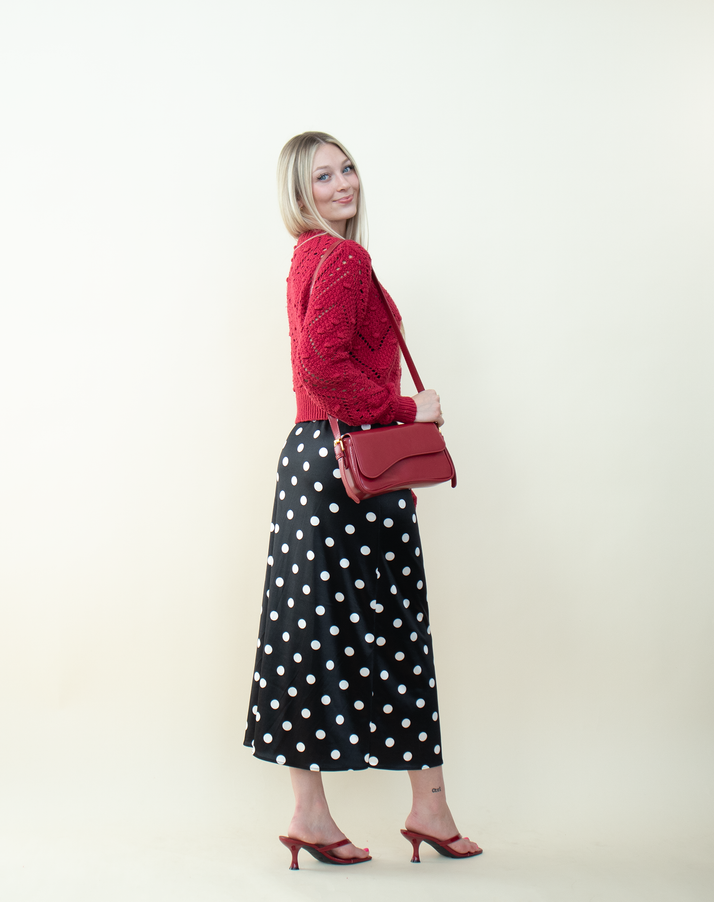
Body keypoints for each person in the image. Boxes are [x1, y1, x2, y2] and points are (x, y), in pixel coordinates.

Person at [243, 131, 481, 869]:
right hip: (351, 462)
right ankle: (429, 805)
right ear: (299, 192)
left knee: (305, 633)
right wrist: (410, 409)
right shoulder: (344, 258)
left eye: (347, 167)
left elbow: (312, 367)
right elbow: (321, 363)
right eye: (323, 175)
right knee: (396, 627)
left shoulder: (305, 259)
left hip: (310, 459)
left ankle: (312, 813)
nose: (344, 182)